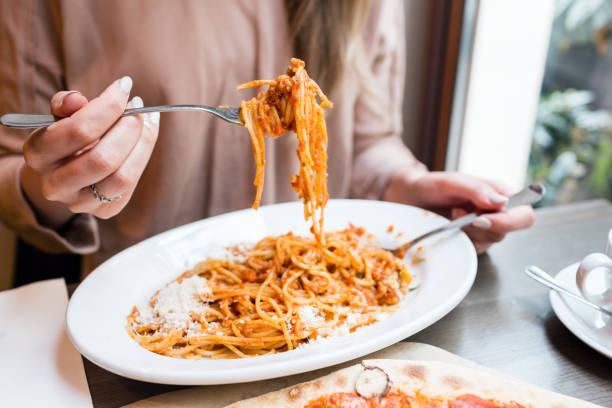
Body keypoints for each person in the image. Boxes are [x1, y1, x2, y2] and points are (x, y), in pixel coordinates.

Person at [0, 0, 534, 276]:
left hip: (328, 306)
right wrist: (57, 181)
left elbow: (370, 143)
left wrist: (411, 189)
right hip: (145, 316)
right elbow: (11, 163)